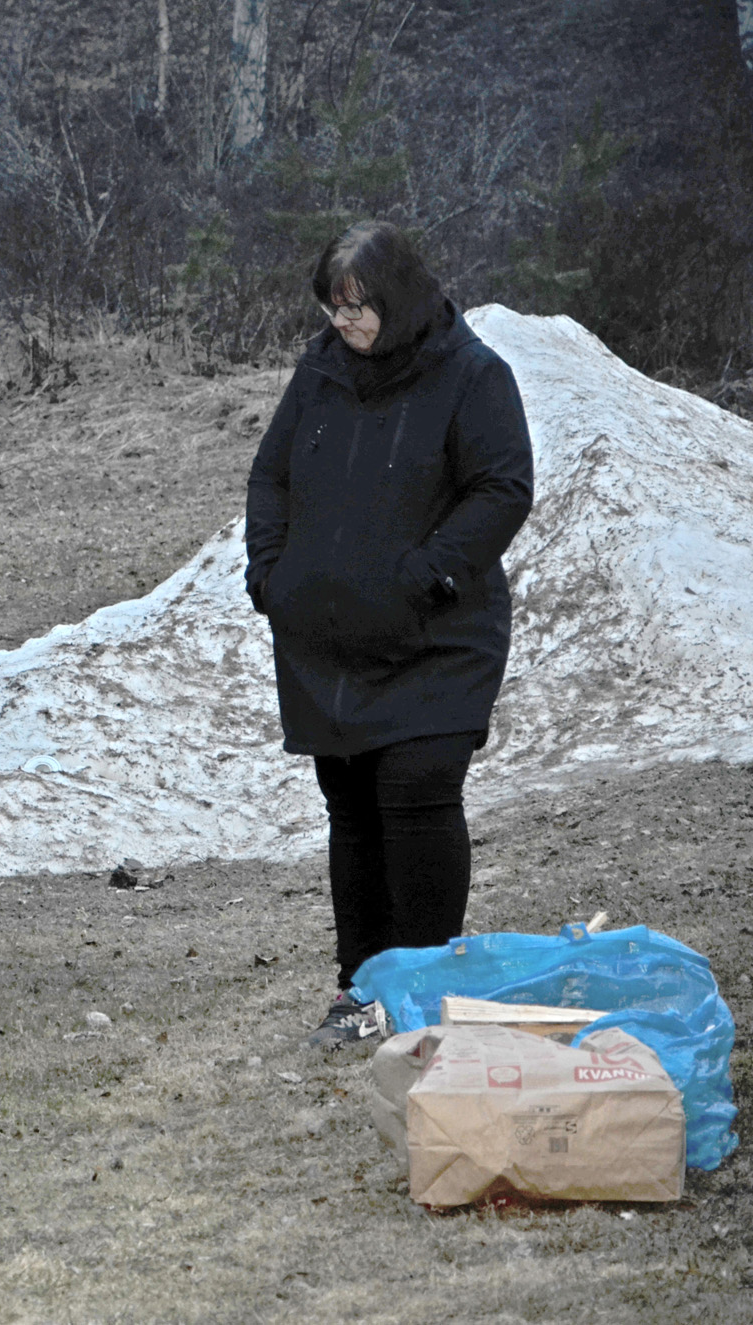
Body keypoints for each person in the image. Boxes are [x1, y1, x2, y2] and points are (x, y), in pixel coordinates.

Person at [243, 220, 535, 1051]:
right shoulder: (322, 372)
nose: (347, 325)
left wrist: (426, 575)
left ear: (399, 298)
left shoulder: (473, 376)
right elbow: (271, 473)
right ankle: (362, 989)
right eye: (335, 308)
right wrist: (272, 572)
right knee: (354, 806)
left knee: (417, 788)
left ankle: (426, 988)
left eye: (360, 308)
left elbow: (502, 486)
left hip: (433, 637)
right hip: (328, 640)